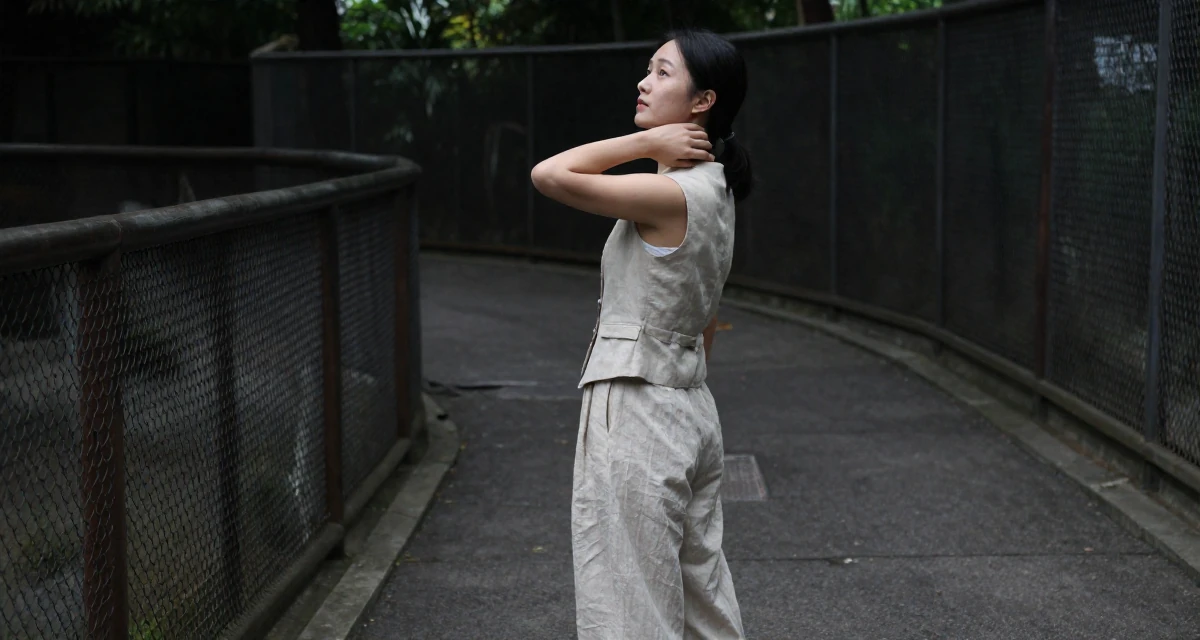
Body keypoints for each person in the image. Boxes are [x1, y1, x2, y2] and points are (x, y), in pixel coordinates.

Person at [530, 28, 752, 640]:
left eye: (661, 73)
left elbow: (549, 174)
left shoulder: (668, 193)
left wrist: (642, 142)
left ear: (702, 100)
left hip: (637, 402)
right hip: (691, 406)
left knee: (630, 604)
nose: (643, 82)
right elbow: (705, 319)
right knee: (700, 598)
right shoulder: (718, 189)